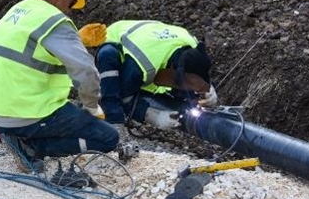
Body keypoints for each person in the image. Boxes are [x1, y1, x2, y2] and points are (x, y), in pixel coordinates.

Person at [0, 0, 119, 173]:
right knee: (108, 137)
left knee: (71, 118)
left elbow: (30, 49)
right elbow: (86, 71)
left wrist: (76, 40)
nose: (69, 11)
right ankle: (32, 148)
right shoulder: (56, 22)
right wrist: (91, 106)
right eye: (71, 4)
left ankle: (18, 137)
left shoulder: (19, 10)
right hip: (26, 113)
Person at [78, 20, 219, 130]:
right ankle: (113, 120)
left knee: (182, 93)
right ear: (171, 70)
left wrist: (207, 89)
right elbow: (125, 97)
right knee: (108, 55)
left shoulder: (192, 48)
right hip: (118, 41)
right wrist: (149, 114)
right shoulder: (141, 63)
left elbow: (195, 75)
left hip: (151, 39)